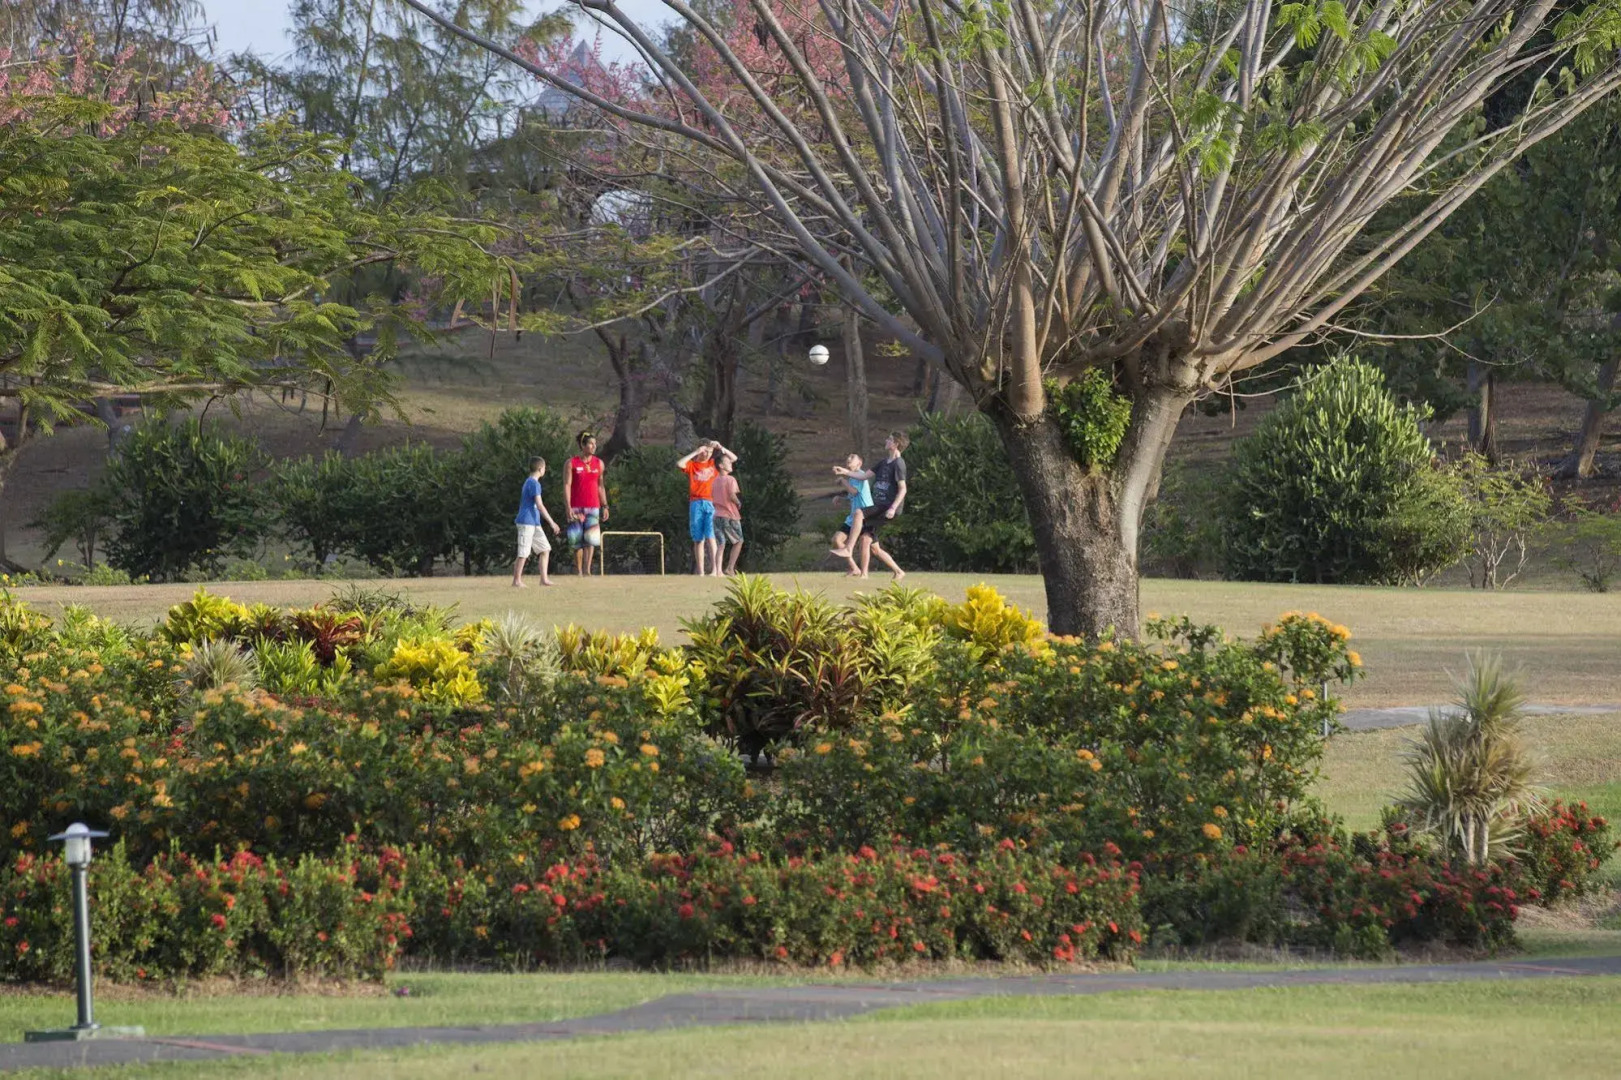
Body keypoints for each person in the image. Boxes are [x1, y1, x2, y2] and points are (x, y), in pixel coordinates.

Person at [675, 439, 736, 577]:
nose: (707, 454)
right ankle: (701, 571)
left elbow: (733, 458)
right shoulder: (693, 465)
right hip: (696, 502)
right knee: (698, 539)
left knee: (711, 536)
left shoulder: (713, 464)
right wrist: (696, 452)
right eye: (705, 451)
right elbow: (679, 463)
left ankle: (716, 570)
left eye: (710, 451)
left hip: (711, 502)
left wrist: (720, 447)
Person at [857, 432, 908, 580]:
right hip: (879, 506)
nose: (886, 440)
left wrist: (892, 508)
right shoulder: (883, 462)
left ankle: (863, 574)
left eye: (890, 439)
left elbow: (903, 489)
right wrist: (845, 472)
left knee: (861, 521)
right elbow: (863, 476)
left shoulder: (899, 463)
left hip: (886, 509)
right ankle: (898, 571)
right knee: (874, 547)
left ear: (896, 444)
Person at [511, 457, 562, 587]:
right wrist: (552, 523)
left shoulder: (530, 482)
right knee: (523, 552)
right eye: (544, 468)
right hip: (526, 521)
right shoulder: (534, 484)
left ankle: (543, 579)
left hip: (534, 522)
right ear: (540, 469)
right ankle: (516, 581)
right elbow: (540, 505)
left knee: (545, 549)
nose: (545, 470)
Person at [564, 431, 608, 576]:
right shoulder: (572, 463)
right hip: (576, 507)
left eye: (595, 444)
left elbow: (601, 486)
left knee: (591, 540)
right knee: (576, 541)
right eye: (590, 443)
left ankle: (587, 570)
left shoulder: (599, 463)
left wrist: (605, 505)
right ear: (582, 445)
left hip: (593, 506)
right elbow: (567, 485)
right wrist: (568, 506)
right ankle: (579, 571)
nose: (594, 446)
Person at [830, 453, 873, 573]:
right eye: (848, 457)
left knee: (875, 548)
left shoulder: (860, 475)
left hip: (865, 515)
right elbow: (853, 497)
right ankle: (854, 568)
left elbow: (854, 491)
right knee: (836, 539)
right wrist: (840, 498)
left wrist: (843, 480)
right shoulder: (852, 478)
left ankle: (898, 571)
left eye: (852, 457)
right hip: (853, 517)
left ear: (859, 463)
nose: (848, 459)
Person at [711, 454, 744, 575]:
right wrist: (738, 502)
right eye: (728, 462)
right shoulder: (730, 479)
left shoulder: (714, 481)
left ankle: (718, 571)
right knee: (738, 541)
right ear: (721, 465)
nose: (731, 464)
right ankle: (730, 568)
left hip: (716, 515)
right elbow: (731, 494)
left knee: (721, 543)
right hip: (729, 515)